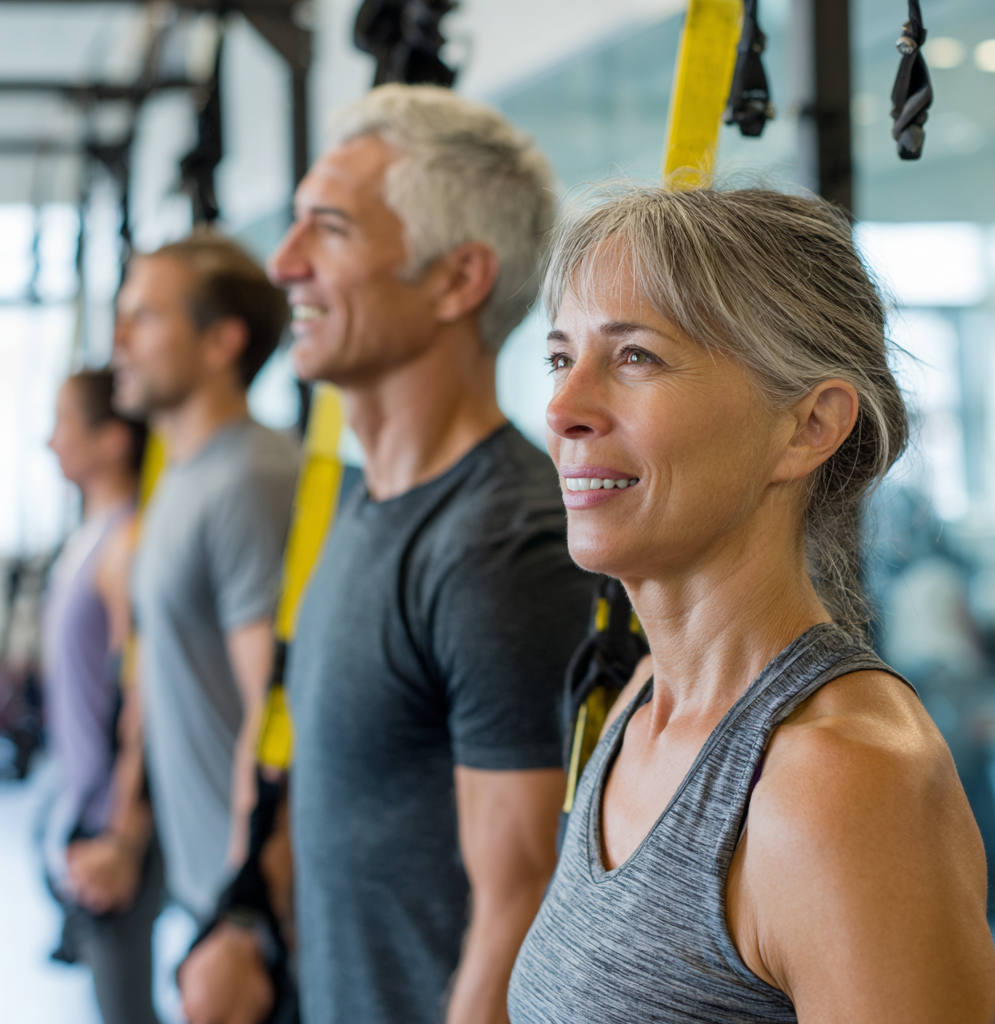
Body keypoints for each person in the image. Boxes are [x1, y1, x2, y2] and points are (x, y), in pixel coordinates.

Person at [506, 185, 995, 1023]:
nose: (562, 410)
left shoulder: (842, 780)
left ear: (809, 426)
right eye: (562, 359)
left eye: (636, 358)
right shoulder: (638, 706)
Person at [178, 84, 593, 1024]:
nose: (284, 266)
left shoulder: (503, 546)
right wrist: (247, 924)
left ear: (458, 279)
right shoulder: (359, 506)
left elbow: (519, 909)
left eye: (327, 230)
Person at [111, 231, 299, 924]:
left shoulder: (250, 476)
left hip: (249, 905)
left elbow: (275, 712)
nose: (119, 338)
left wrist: (247, 910)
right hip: (202, 888)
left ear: (222, 341)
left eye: (145, 317)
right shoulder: (183, 472)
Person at [43, 369, 161, 1024]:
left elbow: (138, 697)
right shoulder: (91, 535)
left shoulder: (126, 541)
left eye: (65, 423)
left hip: (111, 820)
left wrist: (124, 833)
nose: (50, 440)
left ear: (113, 439)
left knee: (124, 1009)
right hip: (82, 803)